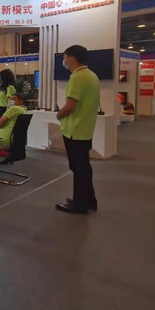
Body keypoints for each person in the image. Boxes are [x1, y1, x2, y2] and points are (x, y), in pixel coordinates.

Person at [55, 45, 100, 214]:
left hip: (74, 130)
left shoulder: (77, 77)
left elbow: (70, 106)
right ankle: (88, 199)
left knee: (78, 168)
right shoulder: (92, 75)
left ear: (72, 58)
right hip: (85, 129)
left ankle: (79, 204)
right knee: (84, 167)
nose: (64, 60)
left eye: (65, 57)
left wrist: (59, 115)